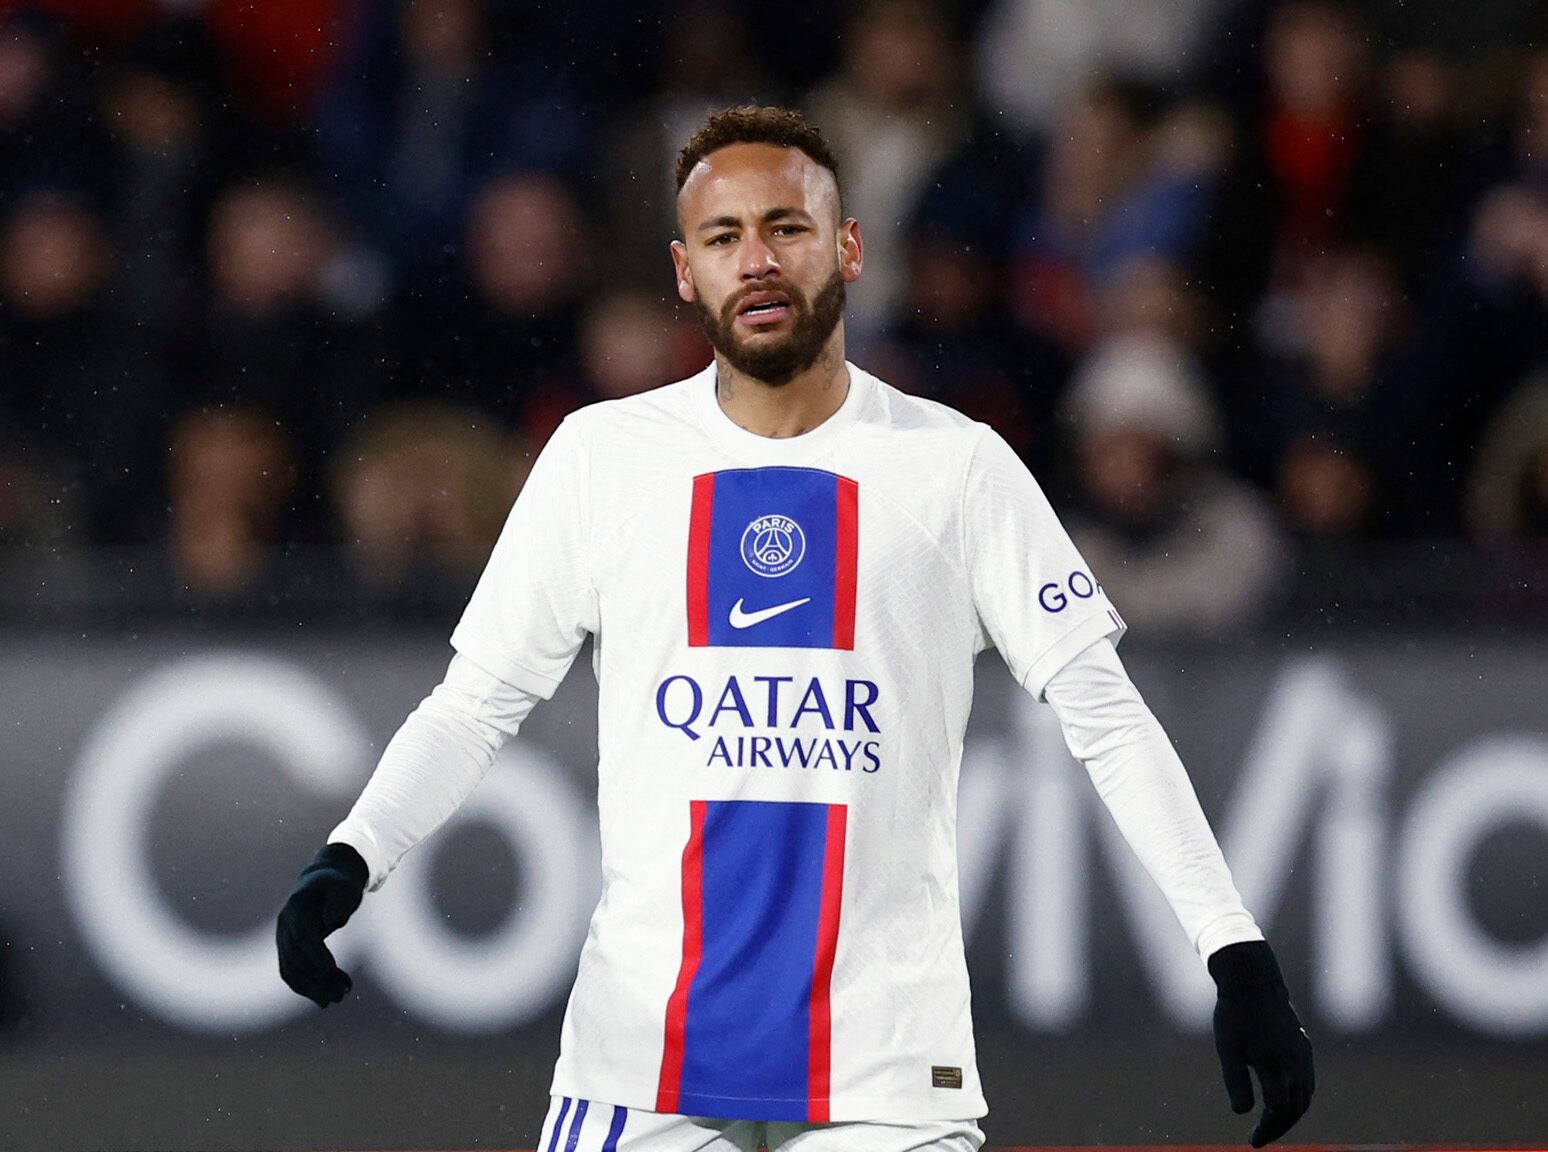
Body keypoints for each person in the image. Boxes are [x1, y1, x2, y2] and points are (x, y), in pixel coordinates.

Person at [276, 105, 1314, 1152]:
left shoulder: (957, 467)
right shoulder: (602, 459)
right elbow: (476, 704)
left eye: (788, 227)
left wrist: (1234, 948)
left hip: (886, 1070)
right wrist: (349, 860)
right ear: (686, 273)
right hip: (644, 1063)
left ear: (849, 248)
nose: (757, 260)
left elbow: (1107, 717)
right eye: (724, 238)